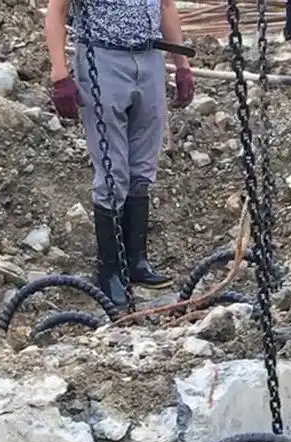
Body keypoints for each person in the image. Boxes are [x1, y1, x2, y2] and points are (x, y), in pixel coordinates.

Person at [44, 0, 196, 308]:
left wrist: (181, 65)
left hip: (149, 58)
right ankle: (110, 269)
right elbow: (57, 12)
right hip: (103, 58)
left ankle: (136, 259)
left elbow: (166, 6)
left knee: (143, 165)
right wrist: (60, 74)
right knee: (112, 169)